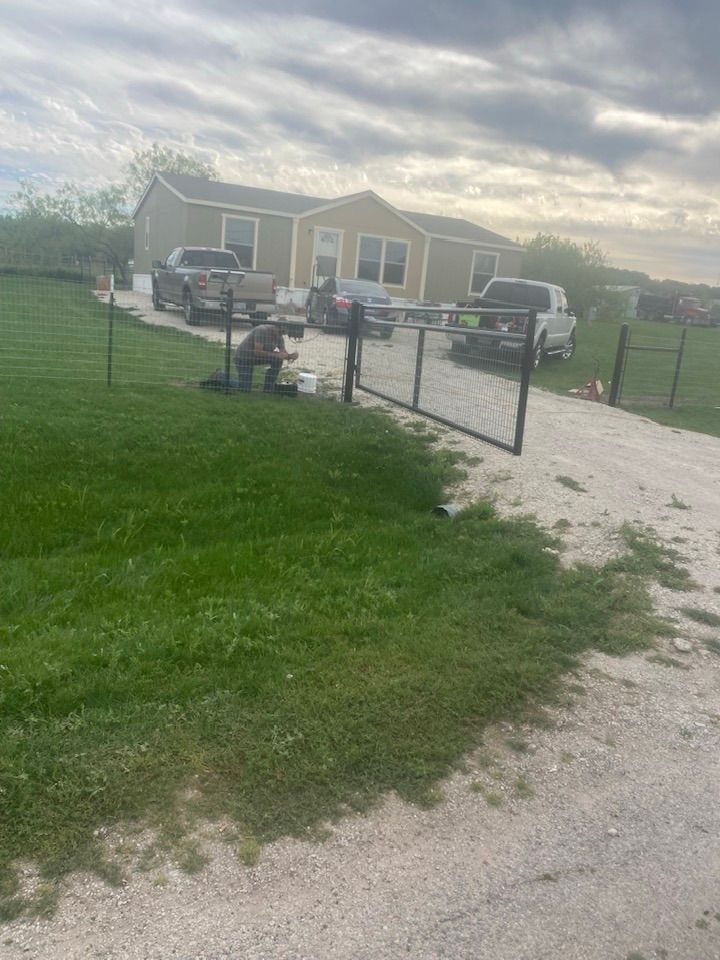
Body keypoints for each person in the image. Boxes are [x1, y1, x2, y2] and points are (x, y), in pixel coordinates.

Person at [234, 323, 299, 393]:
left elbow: (282, 353)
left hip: (256, 358)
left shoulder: (279, 336)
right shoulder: (261, 330)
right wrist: (276, 354)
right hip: (243, 358)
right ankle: (226, 380)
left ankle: (268, 388)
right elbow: (257, 352)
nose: (281, 334)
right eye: (280, 332)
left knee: (278, 360)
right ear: (275, 326)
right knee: (244, 388)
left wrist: (290, 356)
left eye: (283, 333)